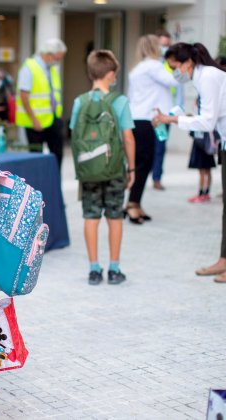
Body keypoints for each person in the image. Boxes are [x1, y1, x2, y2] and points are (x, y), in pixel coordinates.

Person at [156, 42, 226, 283]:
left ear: (188, 63)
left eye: (174, 67)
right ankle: (225, 259)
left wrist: (172, 119)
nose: (174, 72)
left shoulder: (208, 77)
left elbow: (207, 123)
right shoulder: (202, 77)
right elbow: (209, 119)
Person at [69, 50, 136, 285]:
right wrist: (132, 169)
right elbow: (128, 138)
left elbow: (74, 133)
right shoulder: (120, 102)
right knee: (115, 216)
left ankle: (94, 269)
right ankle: (114, 269)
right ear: (110, 74)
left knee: (91, 216)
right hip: (115, 168)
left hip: (89, 169)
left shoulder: (80, 102)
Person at [126, 34, 179, 224]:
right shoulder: (154, 66)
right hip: (148, 120)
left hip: (136, 119)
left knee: (139, 163)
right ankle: (133, 204)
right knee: (144, 164)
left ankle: (134, 203)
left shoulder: (138, 68)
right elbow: (174, 81)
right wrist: (180, 66)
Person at [15, 38, 67, 170]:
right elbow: (23, 96)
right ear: (48, 54)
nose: (58, 61)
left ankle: (54, 186)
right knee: (36, 159)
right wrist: (34, 120)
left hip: (53, 119)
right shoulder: (29, 67)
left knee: (57, 156)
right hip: (35, 123)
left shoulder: (52, 69)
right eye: (57, 58)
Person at [151, 29, 184, 191]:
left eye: (167, 45)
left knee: (160, 146)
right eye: (162, 44)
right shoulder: (152, 64)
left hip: (165, 115)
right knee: (146, 147)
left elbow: (179, 91)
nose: (165, 47)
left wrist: (175, 113)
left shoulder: (173, 66)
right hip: (148, 115)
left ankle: (156, 177)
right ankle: (142, 174)